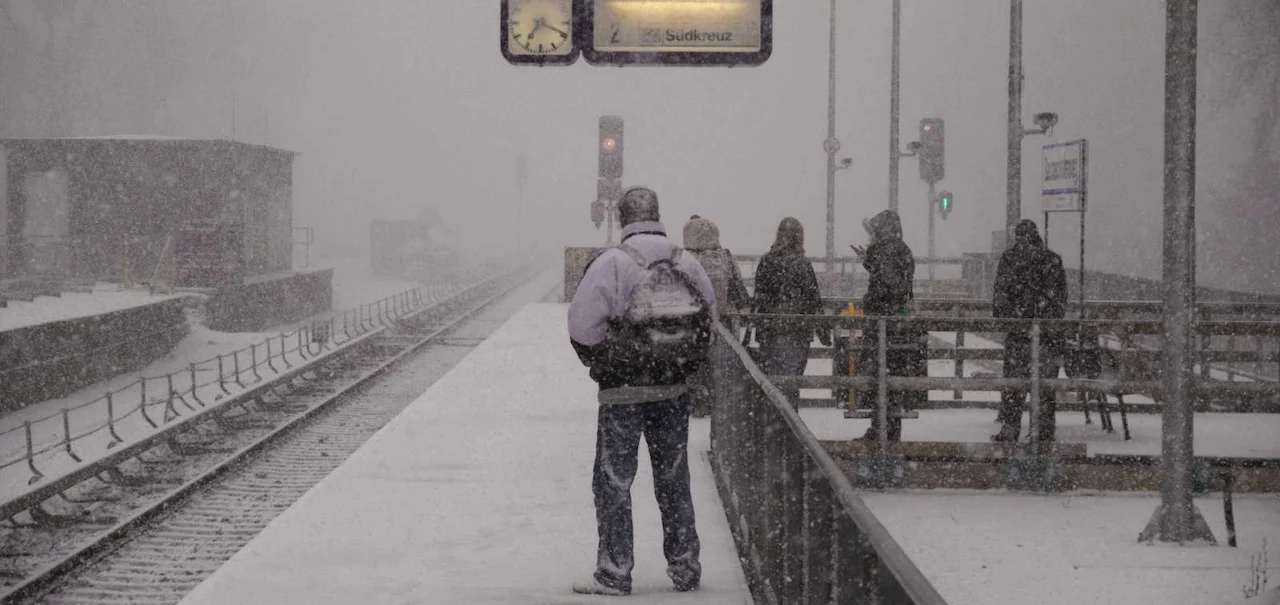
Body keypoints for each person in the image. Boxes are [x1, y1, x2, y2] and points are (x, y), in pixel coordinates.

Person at [567, 186, 717, 596]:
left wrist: (605, 360)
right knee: (673, 476)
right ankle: (685, 567)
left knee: (614, 480)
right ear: (657, 214)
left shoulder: (613, 263)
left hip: (623, 394)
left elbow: (581, 326)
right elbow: (710, 319)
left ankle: (615, 571)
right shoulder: (685, 260)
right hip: (671, 389)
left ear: (623, 218)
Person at [991, 219, 1068, 443]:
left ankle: (1010, 429)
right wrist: (1044, 318)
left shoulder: (1009, 259)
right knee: (1044, 387)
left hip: (1018, 334)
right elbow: (1059, 301)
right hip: (1047, 336)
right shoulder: (1052, 260)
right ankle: (1043, 433)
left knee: (1014, 384)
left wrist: (1014, 318)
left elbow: (1000, 299)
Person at [850, 209, 921, 441]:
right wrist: (869, 260)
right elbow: (897, 283)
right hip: (898, 325)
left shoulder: (885, 250)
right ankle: (890, 430)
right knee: (892, 379)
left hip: (882, 324)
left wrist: (869, 300)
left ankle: (880, 429)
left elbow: (886, 284)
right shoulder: (903, 249)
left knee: (879, 376)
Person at [752, 217, 827, 406]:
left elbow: (759, 296)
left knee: (773, 382)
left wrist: (760, 322)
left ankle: (774, 424)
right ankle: (790, 425)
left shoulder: (767, 261)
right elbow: (813, 299)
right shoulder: (802, 264)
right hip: (797, 330)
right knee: (792, 383)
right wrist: (823, 329)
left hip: (771, 330)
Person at [683, 216, 751, 417]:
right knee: (720, 366)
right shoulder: (726, 257)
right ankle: (718, 402)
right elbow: (738, 288)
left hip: (695, 322)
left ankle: (696, 403)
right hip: (724, 321)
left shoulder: (686, 258)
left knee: (695, 364)